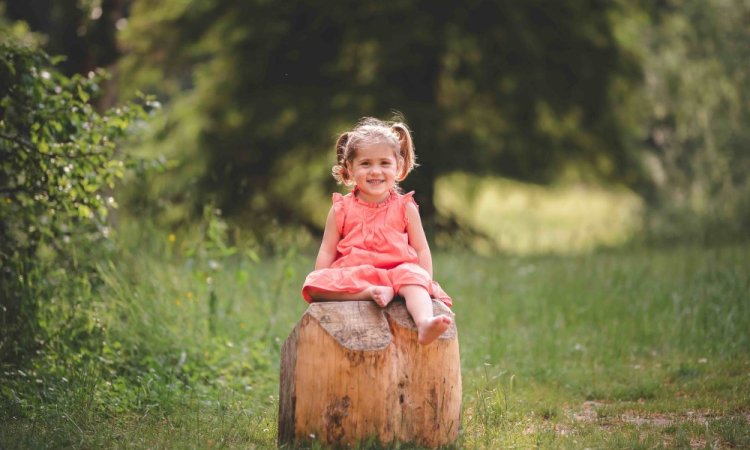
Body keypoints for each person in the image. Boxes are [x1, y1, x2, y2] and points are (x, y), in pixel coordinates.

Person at [302, 117, 453, 345]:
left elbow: (421, 248)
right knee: (314, 283)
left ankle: (424, 323)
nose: (375, 171)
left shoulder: (405, 207)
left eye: (384, 163)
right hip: (357, 275)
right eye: (365, 164)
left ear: (398, 167)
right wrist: (322, 279)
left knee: (414, 280)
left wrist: (425, 280)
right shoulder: (340, 209)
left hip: (398, 273)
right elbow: (327, 249)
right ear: (349, 169)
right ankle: (371, 292)